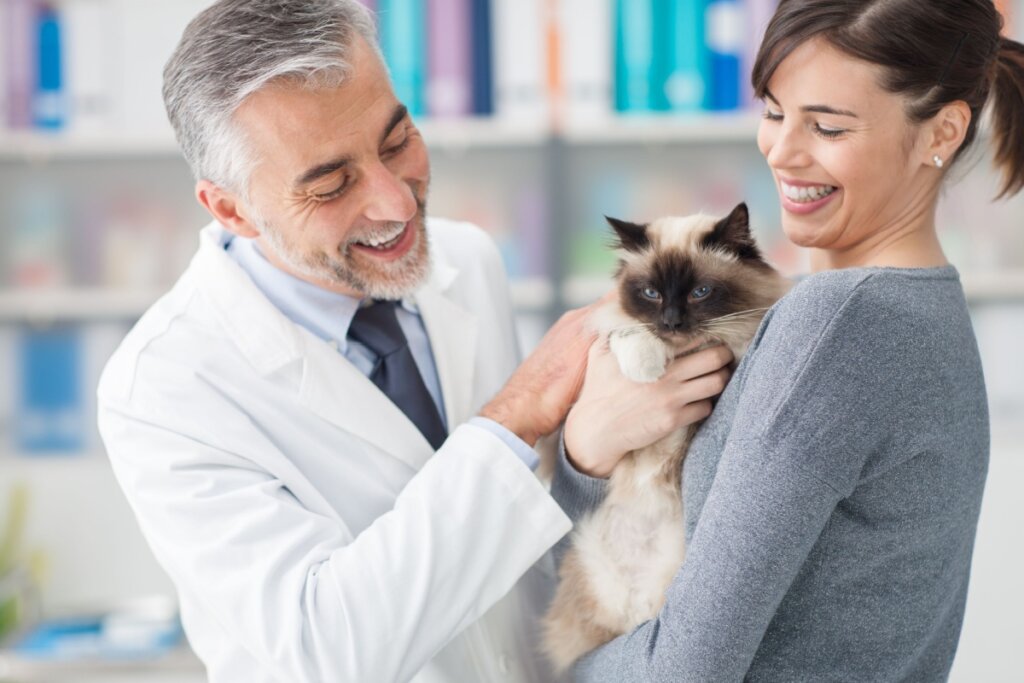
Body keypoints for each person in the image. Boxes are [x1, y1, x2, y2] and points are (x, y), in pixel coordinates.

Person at [96, 1, 733, 681]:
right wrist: (522, 409)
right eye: (333, 184)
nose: (396, 203)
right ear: (231, 207)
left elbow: (517, 547)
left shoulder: (466, 261)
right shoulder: (163, 387)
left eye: (397, 140)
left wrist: (585, 454)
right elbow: (329, 647)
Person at [553, 0, 1024, 680]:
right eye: (774, 112)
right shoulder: (923, 305)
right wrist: (591, 451)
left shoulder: (839, 323)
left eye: (827, 126)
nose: (782, 151)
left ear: (942, 132)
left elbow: (681, 670)